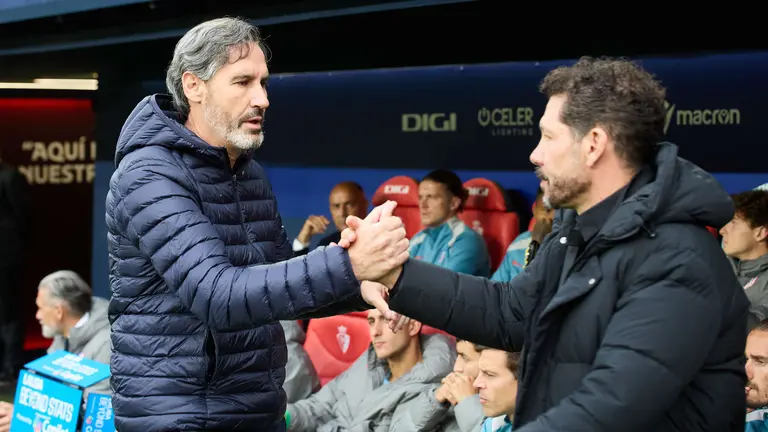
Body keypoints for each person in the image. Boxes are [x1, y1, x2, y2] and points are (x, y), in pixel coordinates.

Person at [343, 57, 750, 430]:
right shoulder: (578, 232)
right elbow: (509, 313)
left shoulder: (678, 260)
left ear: (593, 144)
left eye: (548, 137)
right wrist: (394, 272)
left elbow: (607, 408)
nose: (535, 154)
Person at [105, 17, 408, 432]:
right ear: (194, 86)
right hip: (181, 418)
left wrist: (357, 283)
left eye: (263, 83)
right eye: (243, 82)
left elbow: (283, 287)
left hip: (257, 411)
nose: (262, 99)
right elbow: (216, 294)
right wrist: (348, 265)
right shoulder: (149, 175)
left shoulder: (248, 173)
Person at [285, 309, 455, 431]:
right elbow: (320, 407)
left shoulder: (438, 388)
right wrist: (283, 417)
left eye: (385, 319)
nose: (375, 331)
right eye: (372, 321)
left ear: (413, 326)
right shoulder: (368, 364)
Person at [0, 270, 111, 432]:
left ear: (59, 311)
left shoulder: (107, 345)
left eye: (40, 308)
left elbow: (97, 421)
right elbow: (48, 391)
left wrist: (29, 420)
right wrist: (22, 412)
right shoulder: (64, 332)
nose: (37, 315)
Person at [409, 169, 490, 276]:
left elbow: (444, 289)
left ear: (453, 203)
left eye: (431, 197)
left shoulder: (467, 241)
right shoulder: (418, 239)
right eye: (420, 197)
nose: (423, 205)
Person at [0, 149, 29, 386]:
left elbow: (23, 217)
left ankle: (11, 367)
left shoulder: (10, 177)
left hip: (6, 258)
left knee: (9, 313)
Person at [720, 190, 768, 329]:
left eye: (733, 223)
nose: (722, 230)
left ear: (760, 233)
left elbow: (759, 325)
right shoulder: (716, 268)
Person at [293, 181, 368, 256]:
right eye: (336, 206)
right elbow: (300, 267)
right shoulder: (326, 246)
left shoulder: (378, 238)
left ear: (365, 205)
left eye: (349, 204)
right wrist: (303, 239)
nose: (342, 213)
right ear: (330, 210)